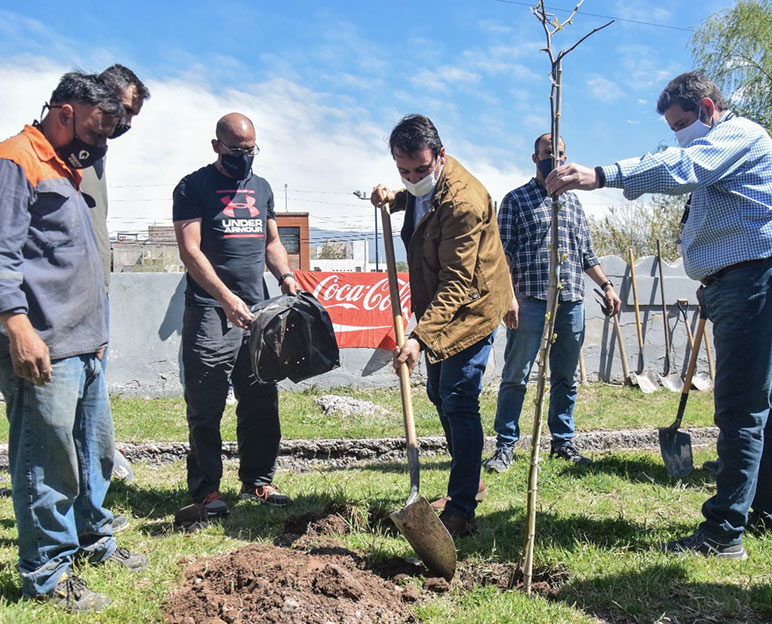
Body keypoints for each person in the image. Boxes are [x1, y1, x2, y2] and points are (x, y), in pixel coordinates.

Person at [546, 70, 772, 560]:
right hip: (737, 283)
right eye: (671, 126)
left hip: (753, 281)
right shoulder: (719, 146)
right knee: (758, 405)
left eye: (681, 122)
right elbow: (672, 167)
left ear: (709, 109)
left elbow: (681, 167)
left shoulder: (739, 136)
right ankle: (761, 507)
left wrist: (601, 175)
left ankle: (724, 532)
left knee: (740, 408)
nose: (677, 134)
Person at [0, 71, 148, 613]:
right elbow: (2, 254)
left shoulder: (67, 167)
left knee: (94, 453)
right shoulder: (17, 159)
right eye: (97, 127)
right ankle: (46, 572)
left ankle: (93, 540)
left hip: (85, 345)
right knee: (47, 460)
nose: (102, 141)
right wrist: (17, 326)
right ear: (65, 112)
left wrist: (99, 334)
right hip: (45, 344)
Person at [370, 114, 512, 538]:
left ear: (441, 155)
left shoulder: (463, 203)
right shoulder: (422, 186)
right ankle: (469, 479)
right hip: (438, 306)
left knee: (457, 397)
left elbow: (457, 283)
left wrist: (417, 338)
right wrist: (392, 195)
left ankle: (462, 508)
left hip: (470, 306)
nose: (413, 177)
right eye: (403, 170)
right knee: (438, 392)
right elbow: (416, 198)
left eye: (419, 170)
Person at [173, 112, 298, 517]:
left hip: (257, 311)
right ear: (216, 147)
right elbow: (190, 251)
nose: (245, 158)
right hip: (211, 310)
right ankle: (208, 490)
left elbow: (273, 242)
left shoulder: (261, 189)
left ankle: (258, 481)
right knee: (206, 402)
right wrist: (226, 298)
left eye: (251, 150)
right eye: (237, 150)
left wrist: (285, 276)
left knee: (261, 398)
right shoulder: (194, 186)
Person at [482, 133, 621, 474]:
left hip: (571, 300)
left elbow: (586, 252)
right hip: (529, 300)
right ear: (535, 158)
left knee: (566, 377)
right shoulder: (516, 200)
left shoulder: (573, 202)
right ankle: (505, 447)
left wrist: (607, 285)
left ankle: (562, 442)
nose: (554, 160)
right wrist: (508, 297)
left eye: (559, 154)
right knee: (516, 376)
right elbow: (504, 255)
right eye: (547, 154)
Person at [81, 64, 150, 493]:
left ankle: (91, 492)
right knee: (63, 404)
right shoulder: (53, 157)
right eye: (123, 112)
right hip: (64, 301)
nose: (125, 124)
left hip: (94, 295)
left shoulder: (96, 156)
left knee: (91, 396)